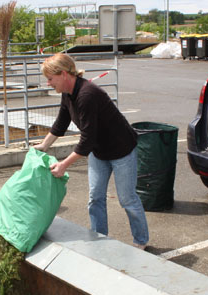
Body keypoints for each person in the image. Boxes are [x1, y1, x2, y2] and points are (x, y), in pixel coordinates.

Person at [35, 53, 150, 250]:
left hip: (121, 149)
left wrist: (63, 165)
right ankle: (99, 237)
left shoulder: (87, 95)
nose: (48, 83)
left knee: (127, 199)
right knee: (95, 197)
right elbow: (61, 122)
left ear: (63, 74)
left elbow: (86, 141)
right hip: (100, 151)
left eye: (50, 78)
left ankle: (141, 241)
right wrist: (43, 146)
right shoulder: (68, 93)